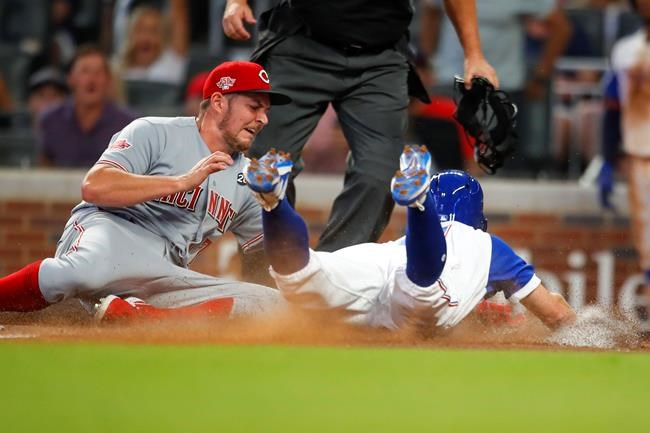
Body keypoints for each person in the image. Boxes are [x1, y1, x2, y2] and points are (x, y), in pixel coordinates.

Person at [0, 60, 291, 321]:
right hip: (111, 233)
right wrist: (181, 182)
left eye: (265, 111)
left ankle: (144, 317)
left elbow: (263, 255)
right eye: (254, 107)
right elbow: (95, 186)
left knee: (272, 304)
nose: (263, 119)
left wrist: (278, 208)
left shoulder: (249, 177)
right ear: (218, 102)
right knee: (77, 272)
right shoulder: (154, 131)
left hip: (165, 272)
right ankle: (140, 314)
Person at [222, 0, 499, 252]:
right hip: (300, 42)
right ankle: (268, 280)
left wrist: (473, 54)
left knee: (379, 174)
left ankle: (333, 279)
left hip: (381, 57)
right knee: (264, 167)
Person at [242, 145, 576, 330]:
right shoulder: (485, 245)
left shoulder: (412, 240)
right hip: (419, 279)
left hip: (379, 259)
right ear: (480, 219)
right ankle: (417, 203)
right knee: (422, 288)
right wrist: (586, 327)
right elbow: (555, 315)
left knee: (302, 277)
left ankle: (273, 202)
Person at [419, 0, 572, 173]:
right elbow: (431, 15)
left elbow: (561, 27)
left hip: (502, 85)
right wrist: (425, 64)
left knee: (498, 168)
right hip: (449, 82)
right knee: (444, 167)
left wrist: (540, 77)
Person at [598, 0, 650, 316]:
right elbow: (613, 106)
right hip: (639, 151)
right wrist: (607, 157)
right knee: (646, 233)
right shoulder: (626, 50)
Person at [38, 45, 136, 167]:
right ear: (70, 79)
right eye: (85, 71)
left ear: (108, 80)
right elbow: (44, 170)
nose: (92, 80)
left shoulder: (128, 124)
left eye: (98, 73)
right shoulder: (51, 120)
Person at [114, 0, 189, 85]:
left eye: (153, 31)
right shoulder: (117, 69)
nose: (146, 38)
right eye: (140, 30)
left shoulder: (171, 61)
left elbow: (179, 11)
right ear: (130, 35)